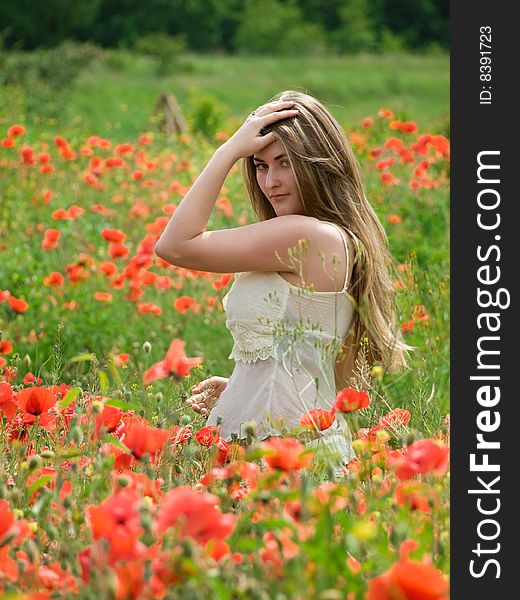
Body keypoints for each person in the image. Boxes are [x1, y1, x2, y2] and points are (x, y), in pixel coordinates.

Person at [155, 90, 410, 478]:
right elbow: (326, 379)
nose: (269, 181)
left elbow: (175, 245)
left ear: (319, 164)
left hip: (282, 462)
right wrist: (248, 386)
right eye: (258, 165)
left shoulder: (303, 236)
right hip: (298, 451)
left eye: (284, 163)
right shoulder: (337, 239)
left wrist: (227, 151)